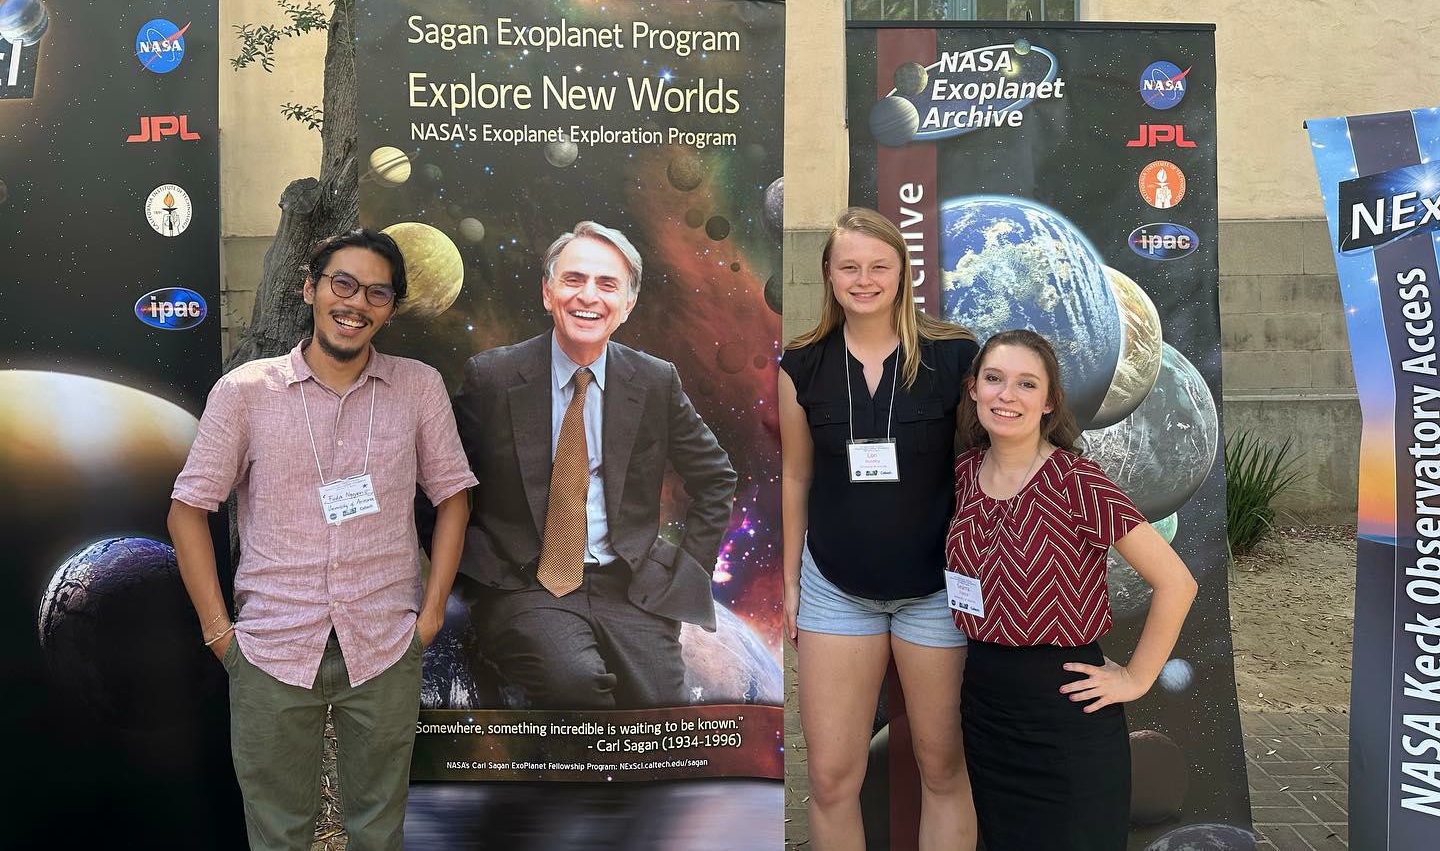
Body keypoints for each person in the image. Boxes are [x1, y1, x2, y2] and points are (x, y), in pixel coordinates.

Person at [167, 229, 476, 851]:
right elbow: (187, 511)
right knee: (278, 830)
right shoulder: (246, 393)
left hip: (386, 643)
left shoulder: (417, 387)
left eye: (377, 293)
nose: (356, 303)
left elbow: (454, 498)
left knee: (379, 829)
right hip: (271, 647)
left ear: (391, 308)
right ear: (310, 289)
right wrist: (220, 635)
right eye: (343, 283)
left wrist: (431, 613)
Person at [453, 220, 736, 709]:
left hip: (629, 586)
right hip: (527, 583)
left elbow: (715, 478)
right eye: (573, 279)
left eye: (607, 284)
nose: (589, 296)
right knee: (576, 689)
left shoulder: (654, 381)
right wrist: (474, 565)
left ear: (627, 305)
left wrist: (691, 569)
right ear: (548, 293)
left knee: (663, 715)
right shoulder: (493, 377)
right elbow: (436, 485)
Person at [946, 329, 1198, 851]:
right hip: (987, 707)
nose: (1006, 395)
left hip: (1065, 710)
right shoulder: (966, 472)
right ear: (973, 389)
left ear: (1049, 401)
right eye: (994, 379)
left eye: (1025, 383)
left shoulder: (1075, 480)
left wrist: (1135, 678)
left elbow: (1176, 582)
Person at [779, 206, 979, 851]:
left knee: (943, 769)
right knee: (833, 779)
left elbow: (991, 464)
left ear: (902, 273)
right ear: (829, 276)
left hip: (937, 595)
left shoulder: (955, 357)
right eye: (849, 267)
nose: (864, 279)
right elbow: (796, 479)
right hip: (835, 591)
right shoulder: (801, 366)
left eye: (879, 266)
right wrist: (789, 585)